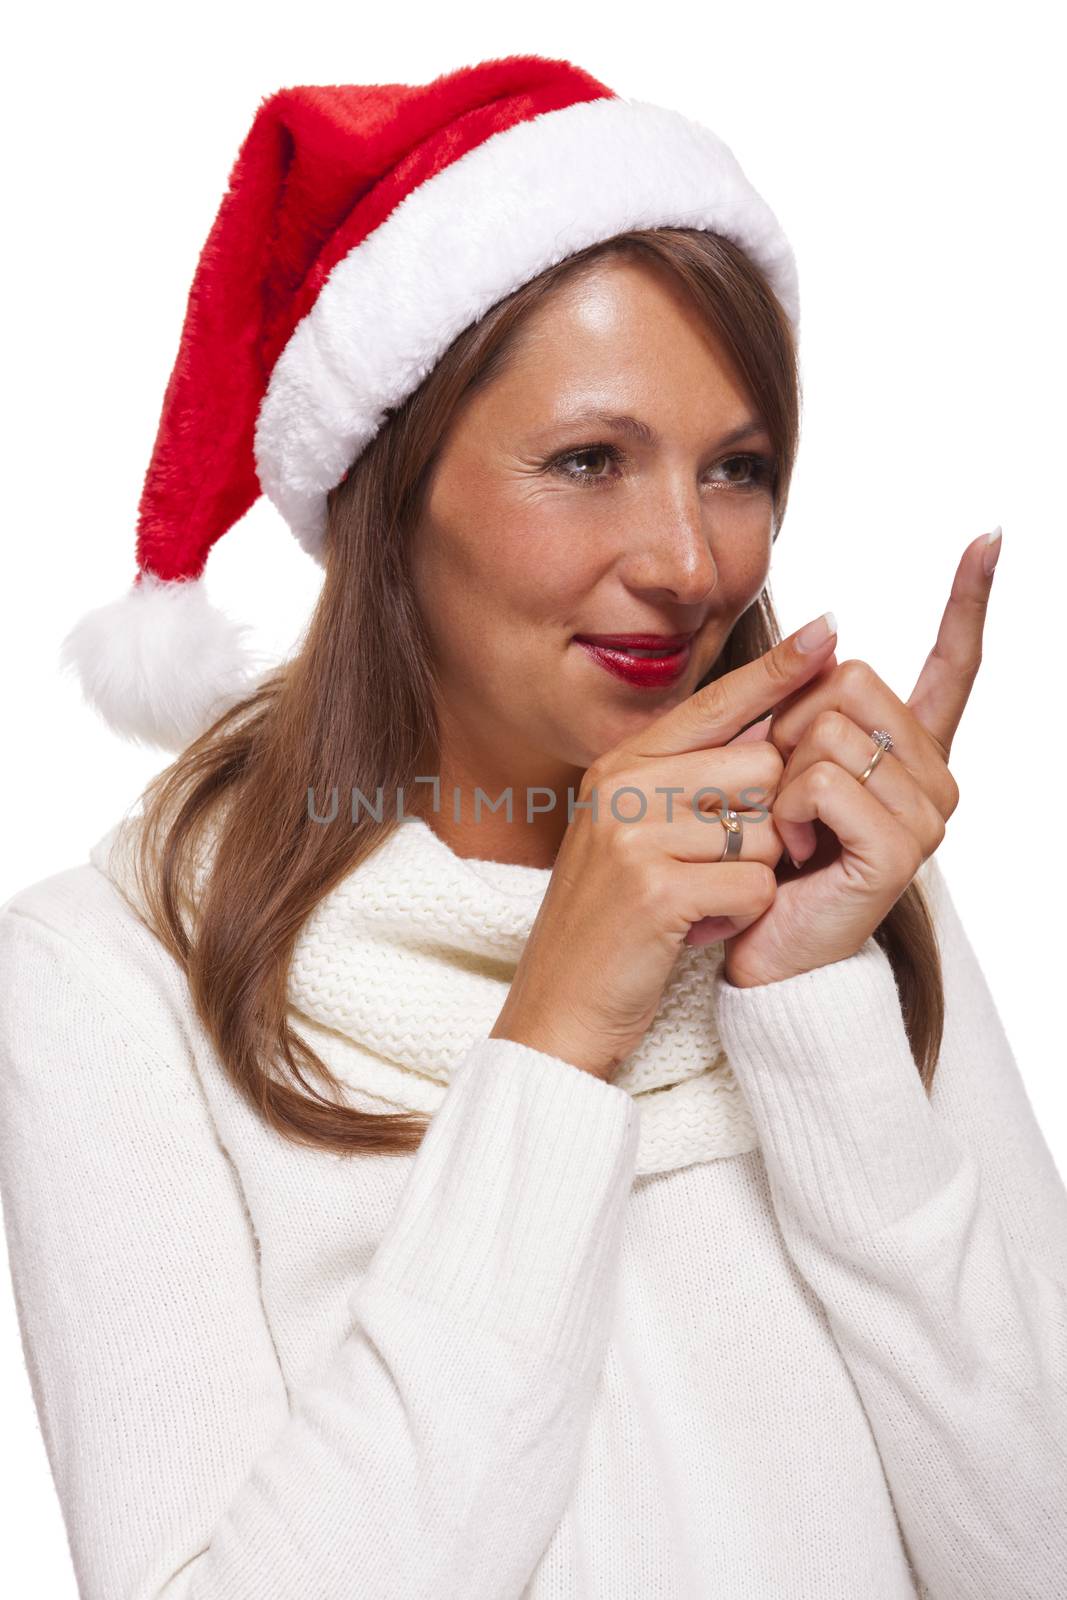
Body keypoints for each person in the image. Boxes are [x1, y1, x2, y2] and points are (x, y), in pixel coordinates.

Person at [0, 52, 1064, 1600]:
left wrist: (814, 1005)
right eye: (588, 462)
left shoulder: (837, 888)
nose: (693, 562)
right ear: (388, 484)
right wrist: (558, 1033)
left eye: (738, 469)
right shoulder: (109, 980)